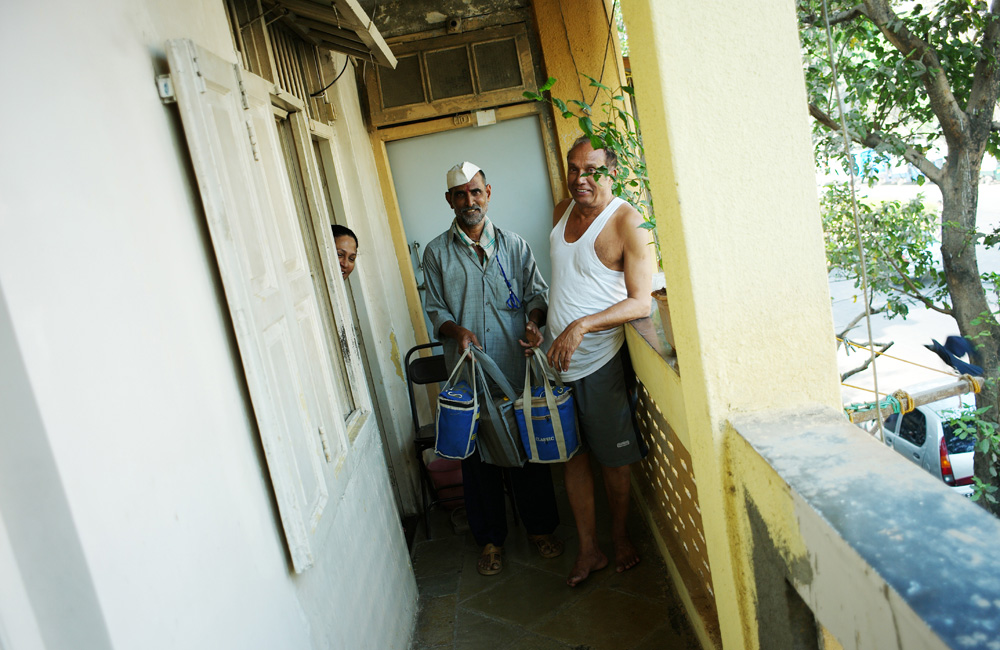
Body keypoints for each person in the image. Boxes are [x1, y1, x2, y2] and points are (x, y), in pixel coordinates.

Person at [423, 161, 563, 576]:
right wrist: (457, 329)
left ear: (489, 193)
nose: (471, 201)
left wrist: (535, 322)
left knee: (527, 450)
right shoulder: (436, 252)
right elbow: (435, 309)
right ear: (450, 201)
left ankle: (539, 529)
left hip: (514, 367)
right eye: (461, 195)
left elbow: (537, 292)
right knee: (478, 458)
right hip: (470, 374)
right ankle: (490, 540)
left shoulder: (515, 245)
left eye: (477, 192)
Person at [544, 136, 654, 587]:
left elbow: (642, 303)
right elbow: (565, 281)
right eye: (573, 168)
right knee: (573, 459)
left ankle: (620, 537)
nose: (580, 179)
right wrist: (543, 323)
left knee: (612, 461)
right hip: (556, 363)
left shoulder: (629, 222)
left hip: (599, 362)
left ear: (612, 170)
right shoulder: (560, 212)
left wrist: (582, 325)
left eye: (591, 169)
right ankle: (590, 550)